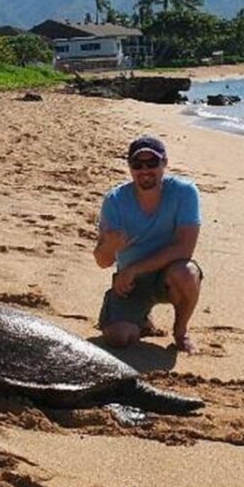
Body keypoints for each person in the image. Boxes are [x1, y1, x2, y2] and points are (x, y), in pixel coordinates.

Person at [93, 135, 203, 354]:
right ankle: (141, 319)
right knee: (119, 338)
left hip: (168, 276)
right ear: (130, 167)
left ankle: (181, 332)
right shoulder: (115, 200)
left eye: (152, 163)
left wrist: (135, 269)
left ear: (165, 163)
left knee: (187, 273)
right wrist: (110, 247)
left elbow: (184, 248)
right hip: (130, 284)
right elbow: (102, 262)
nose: (145, 170)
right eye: (137, 164)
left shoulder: (184, 192)